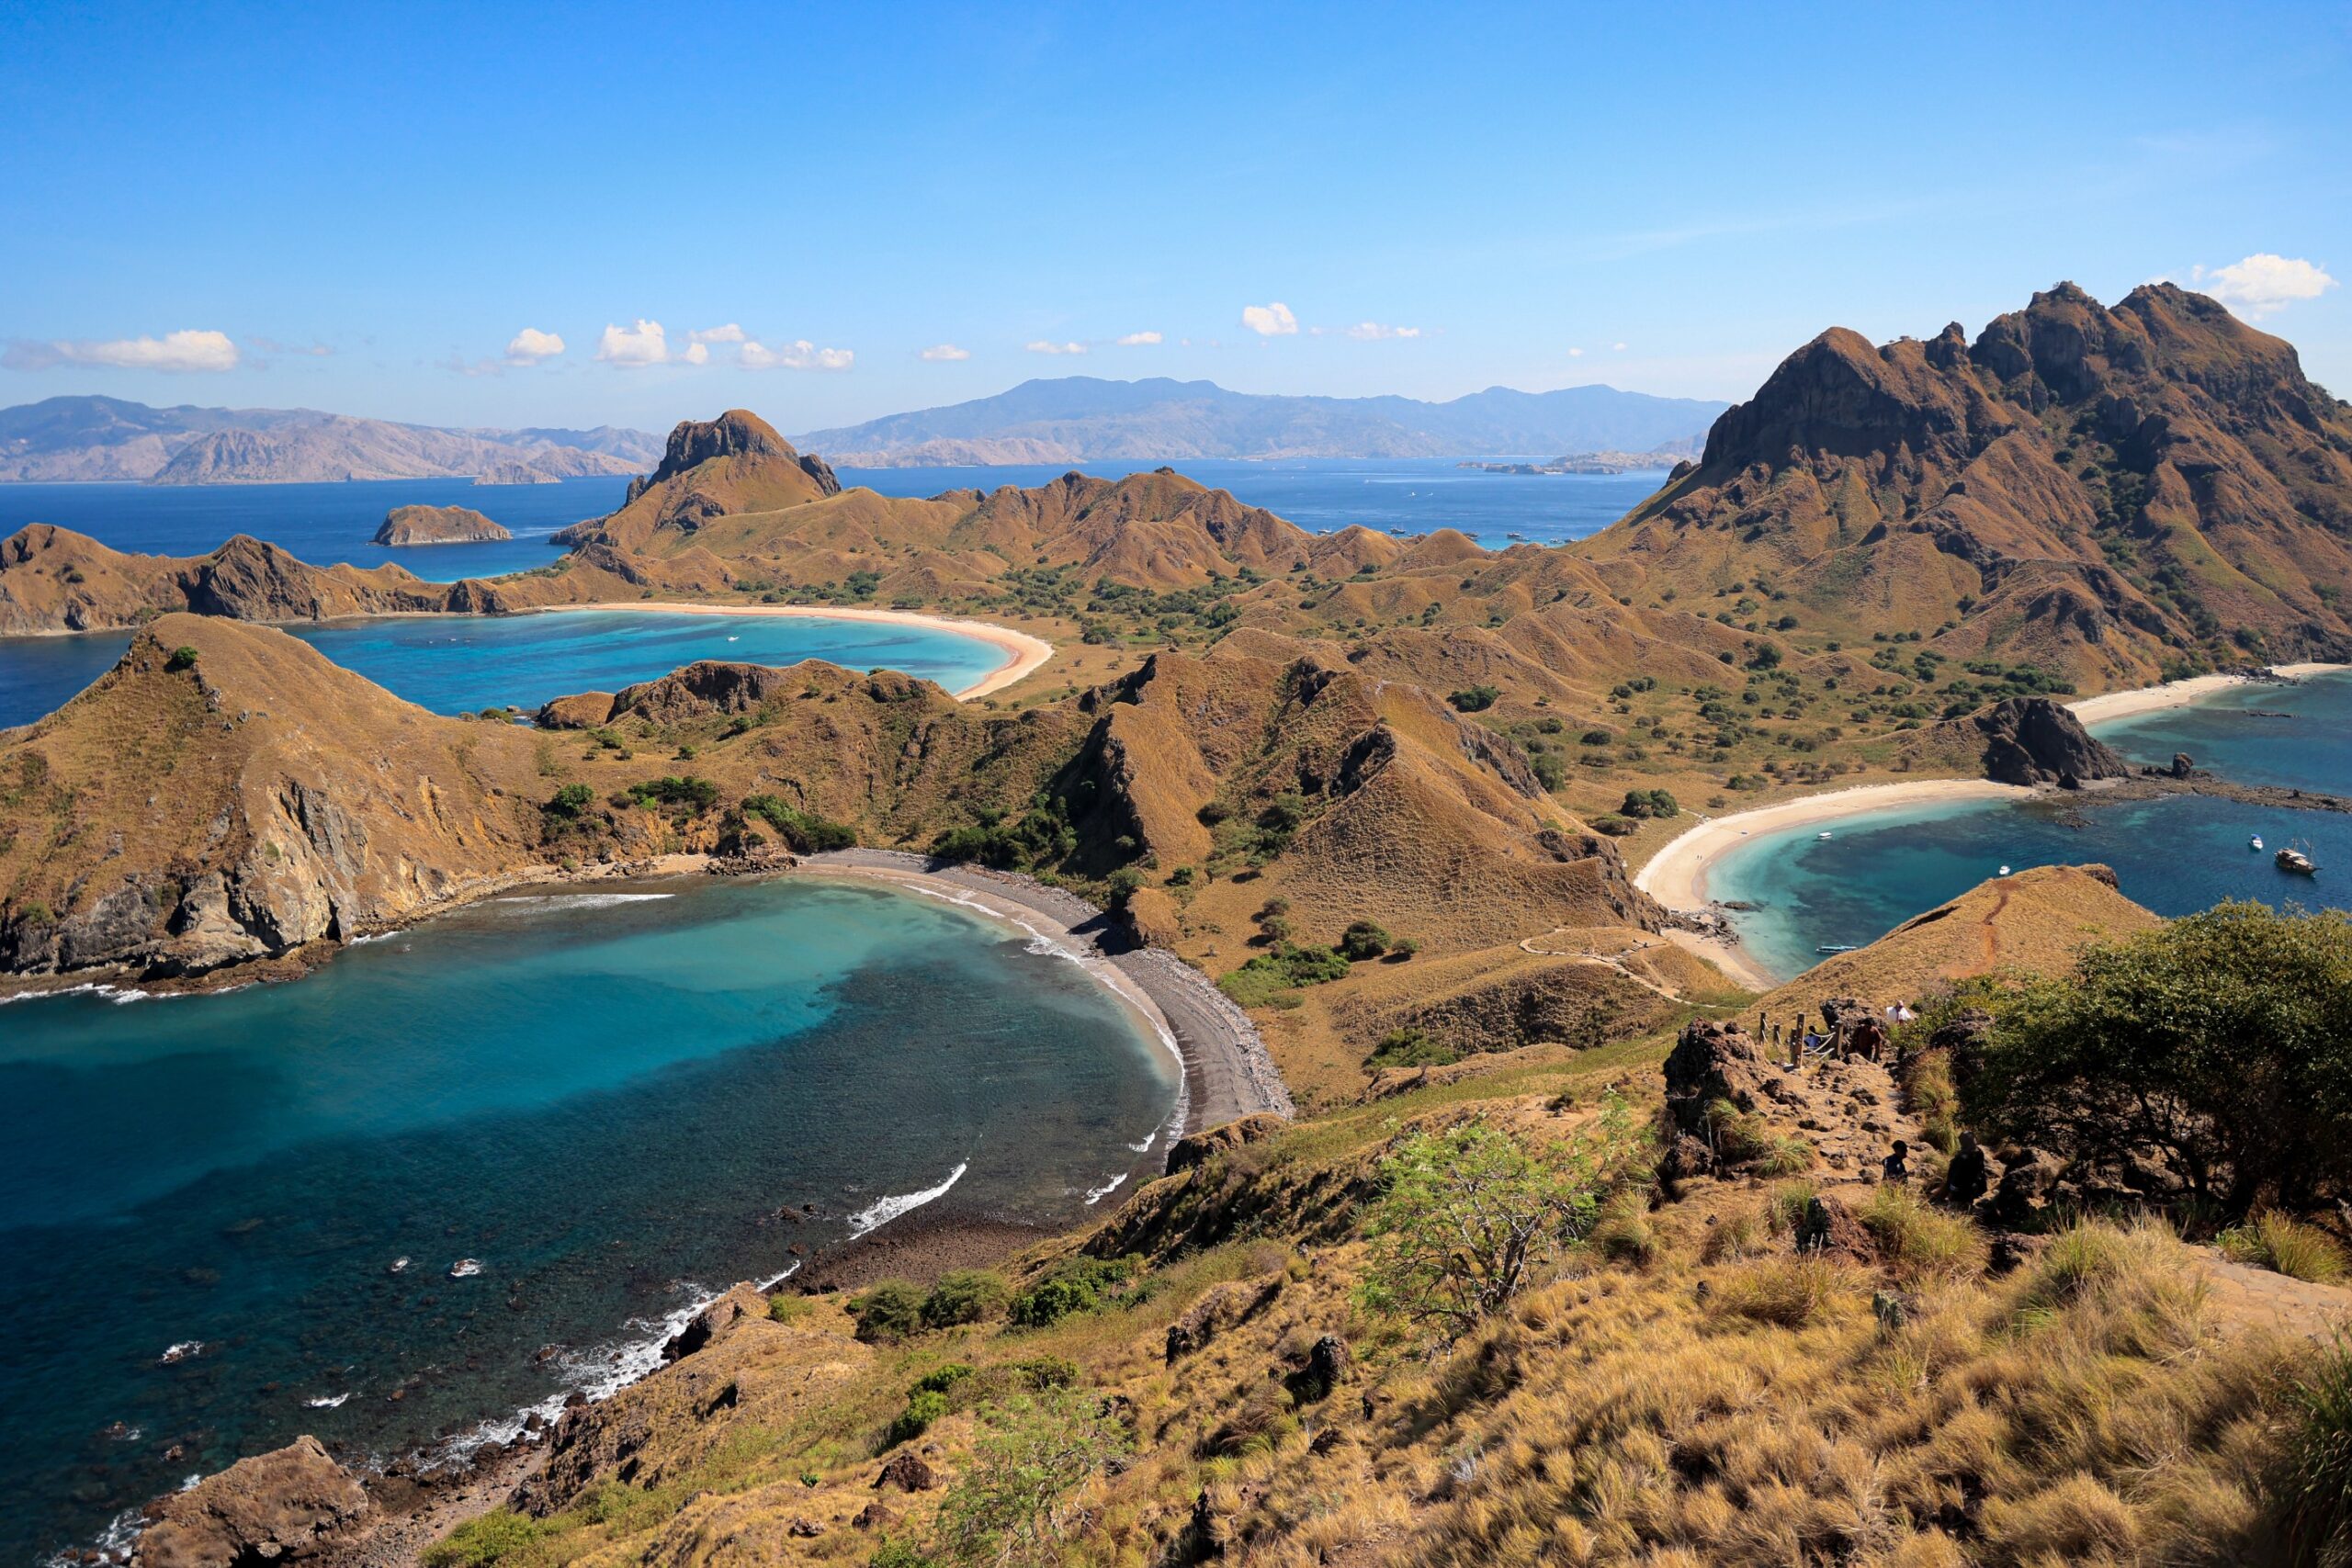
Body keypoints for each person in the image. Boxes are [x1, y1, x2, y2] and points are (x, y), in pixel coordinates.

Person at [1944, 1133, 1990, 1209]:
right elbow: (1981, 1169)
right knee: (1967, 1203)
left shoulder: (1962, 1157)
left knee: (1955, 1208)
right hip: (1974, 1184)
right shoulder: (1979, 1152)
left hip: (1961, 1187)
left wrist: (1951, 1190)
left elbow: (1957, 1175)